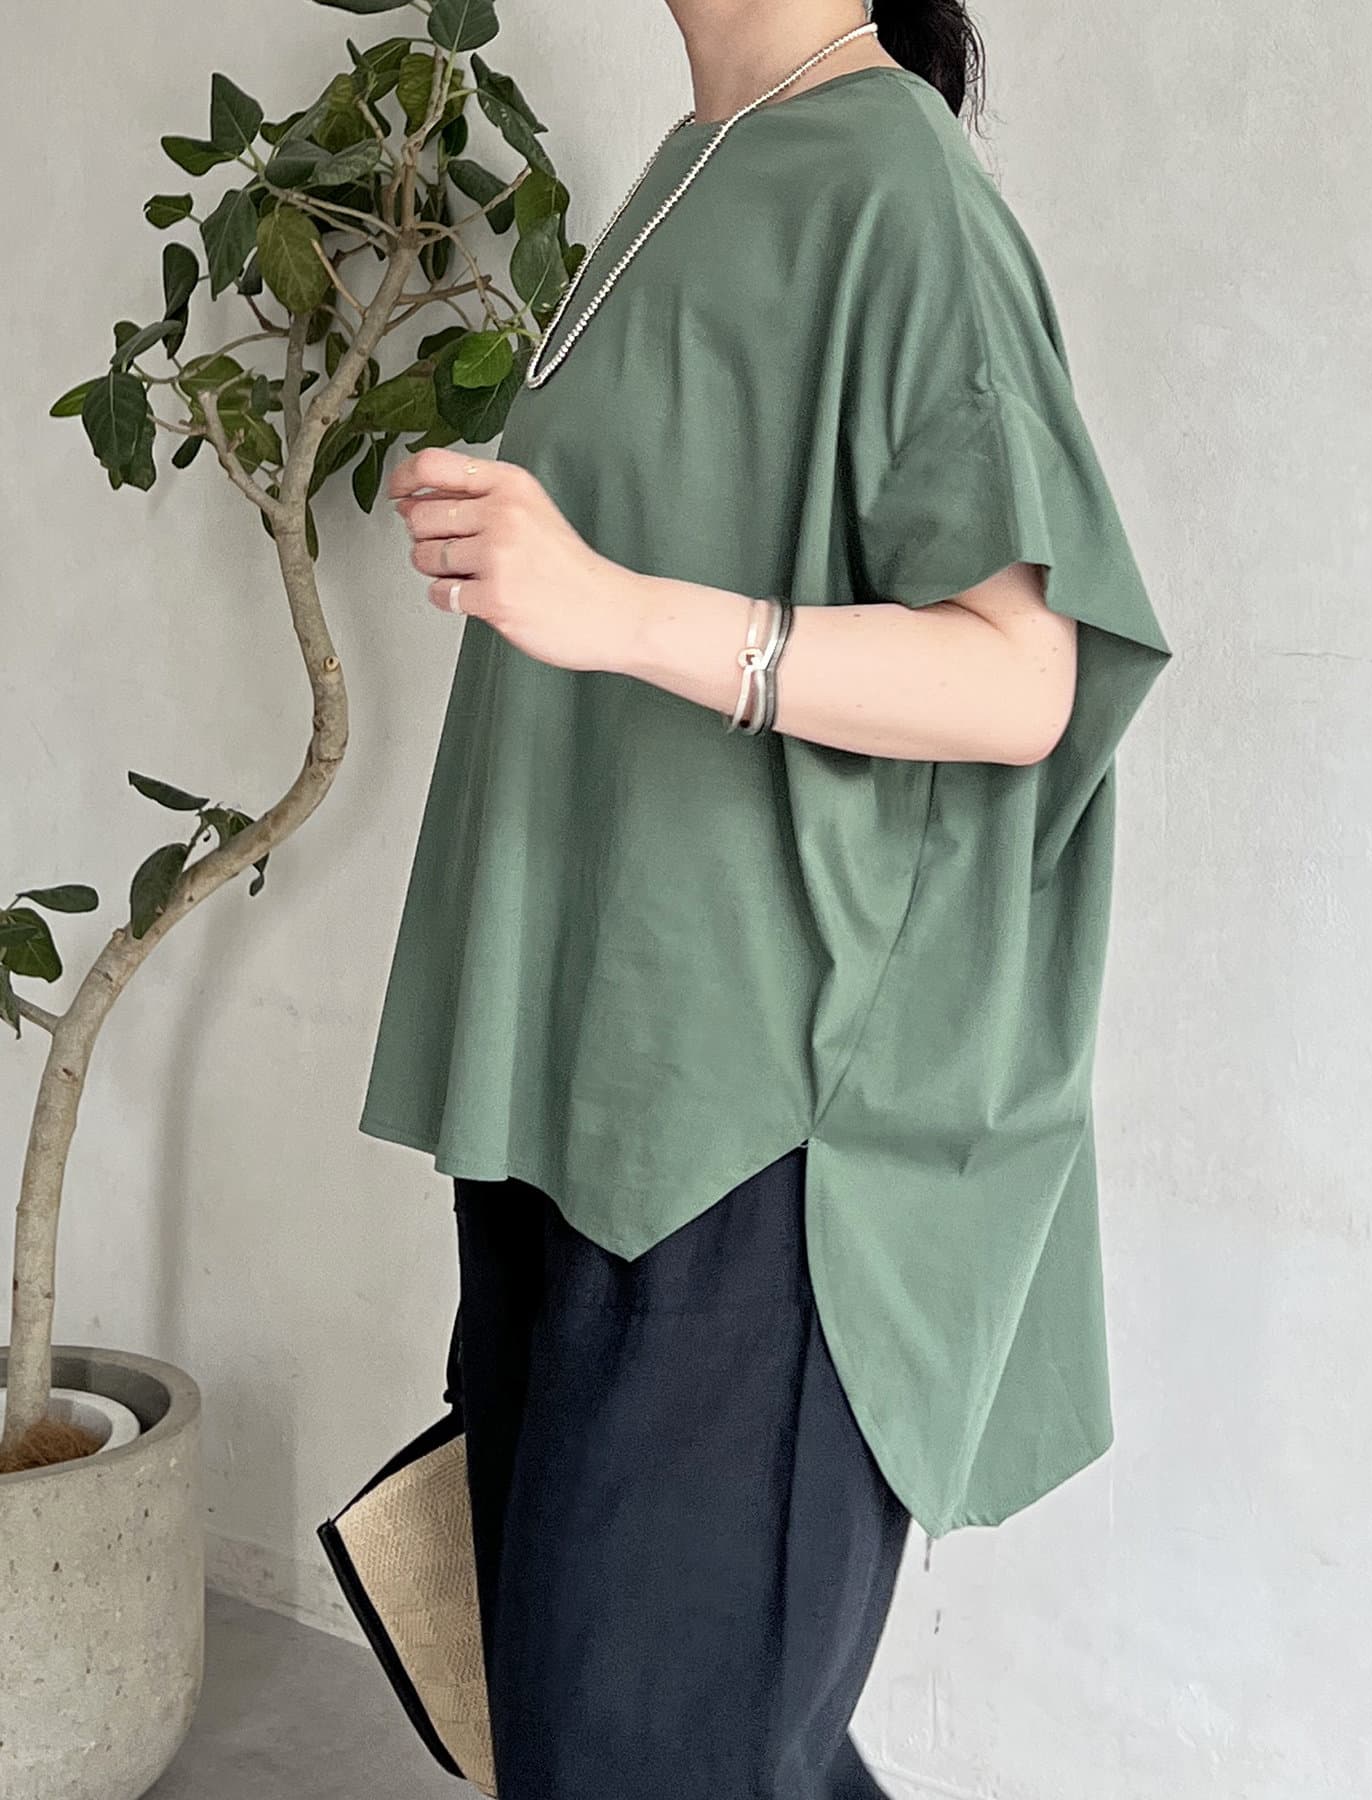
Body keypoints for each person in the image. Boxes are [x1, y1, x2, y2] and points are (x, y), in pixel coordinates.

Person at [358, 1, 1172, 1794]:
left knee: (642, 1752)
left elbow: (1022, 675)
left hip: (756, 1132)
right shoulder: (696, 160)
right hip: (582, 1080)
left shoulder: (895, 185)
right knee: (602, 1736)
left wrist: (613, 608)